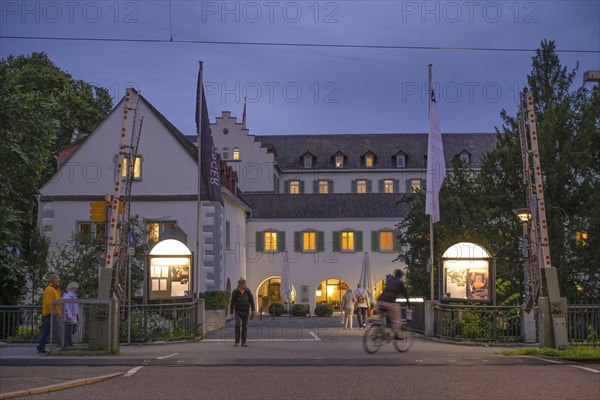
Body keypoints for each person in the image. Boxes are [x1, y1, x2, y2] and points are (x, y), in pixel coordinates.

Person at [377, 269, 410, 340]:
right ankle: (397, 334)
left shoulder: (390, 281)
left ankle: (381, 330)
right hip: (389, 302)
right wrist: (409, 304)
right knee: (396, 318)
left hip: (380, 301)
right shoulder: (400, 283)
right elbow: (405, 294)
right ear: (401, 276)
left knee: (382, 316)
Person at [37, 274, 62, 353]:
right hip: (52, 314)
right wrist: (54, 313)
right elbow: (49, 303)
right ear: (53, 280)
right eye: (57, 278)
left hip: (52, 314)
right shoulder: (50, 289)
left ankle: (41, 347)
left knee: (47, 331)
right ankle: (60, 346)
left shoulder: (53, 289)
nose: (59, 280)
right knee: (57, 330)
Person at [229, 278, 255, 347]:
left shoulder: (247, 291)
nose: (245, 285)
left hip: (246, 311)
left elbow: (251, 301)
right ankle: (236, 341)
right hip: (237, 311)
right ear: (240, 285)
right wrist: (231, 313)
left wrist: (253, 310)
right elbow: (232, 302)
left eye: (245, 283)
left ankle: (243, 342)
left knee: (244, 326)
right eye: (244, 284)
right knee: (237, 324)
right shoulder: (235, 291)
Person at [62, 282, 80, 348]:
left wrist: (77, 312)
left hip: (74, 314)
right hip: (69, 315)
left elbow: (76, 305)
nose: (76, 289)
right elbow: (66, 306)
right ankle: (67, 344)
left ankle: (68, 343)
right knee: (69, 330)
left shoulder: (74, 296)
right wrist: (68, 315)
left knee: (73, 329)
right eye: (75, 288)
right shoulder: (67, 296)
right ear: (72, 288)